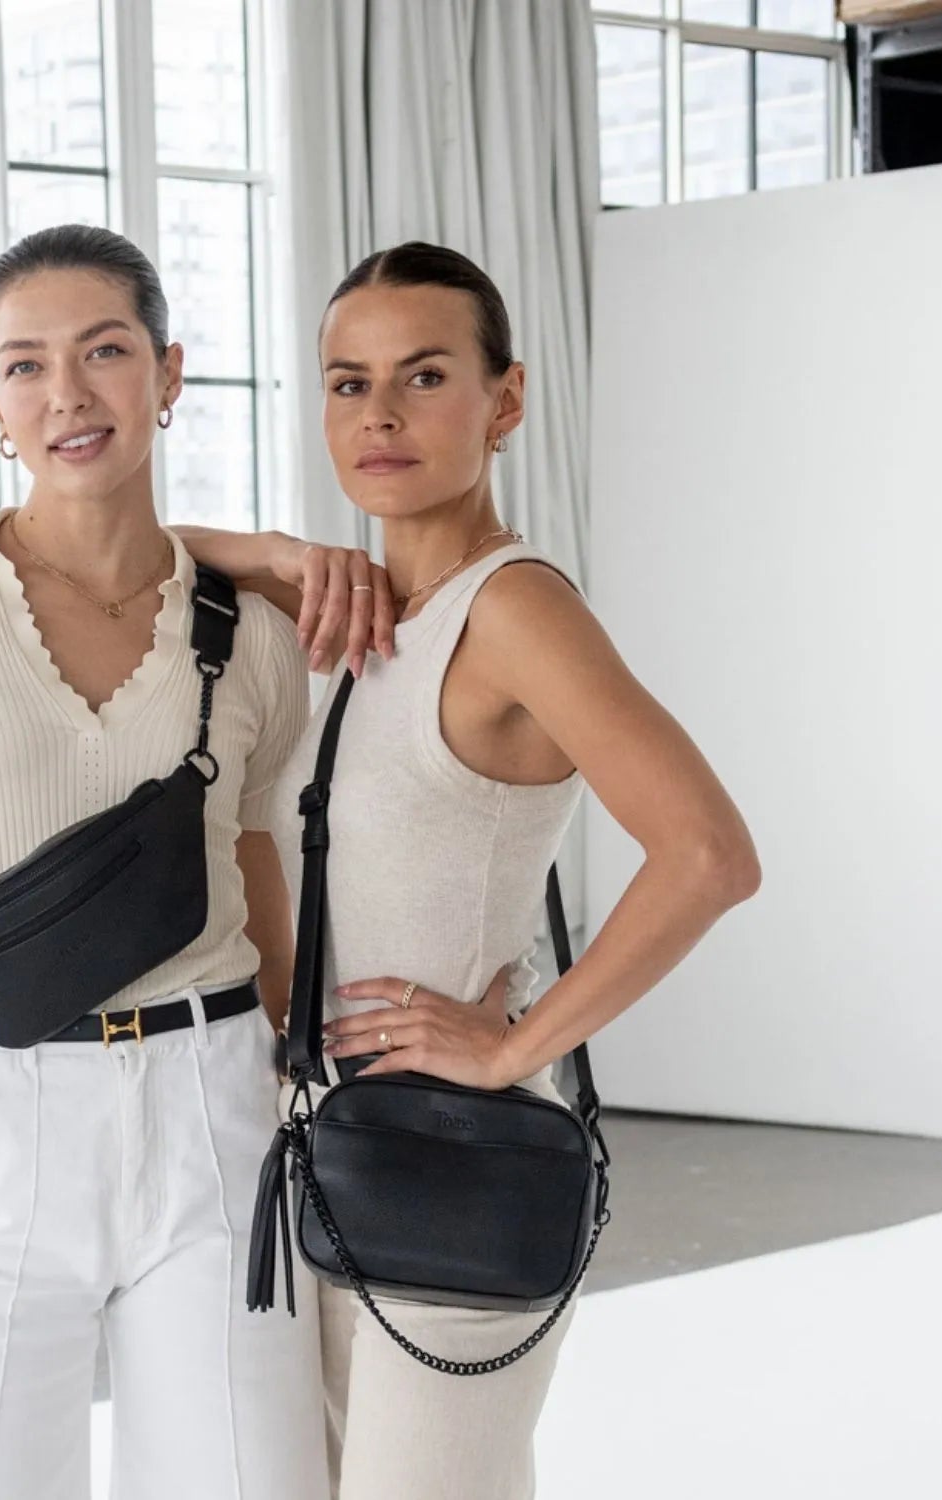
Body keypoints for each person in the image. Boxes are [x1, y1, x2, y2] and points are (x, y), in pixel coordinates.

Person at [0, 225, 371, 1500]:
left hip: (215, 1104)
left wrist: (293, 1059)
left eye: (105, 352)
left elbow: (255, 858)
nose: (68, 393)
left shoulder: (254, 633)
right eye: (26, 364)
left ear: (168, 374)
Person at [180, 241, 762, 1499]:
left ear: (504, 401)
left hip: (452, 1160)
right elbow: (134, 551)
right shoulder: (346, 609)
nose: (379, 414)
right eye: (347, 383)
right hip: (317, 1149)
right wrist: (282, 550)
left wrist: (512, 1047)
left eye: (424, 376)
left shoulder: (512, 609)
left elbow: (711, 855)